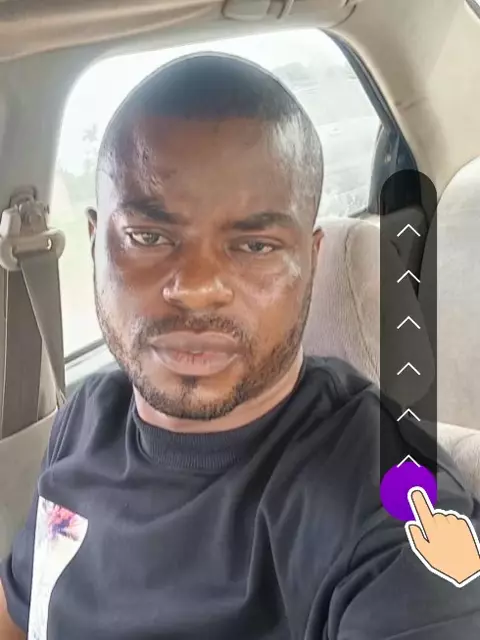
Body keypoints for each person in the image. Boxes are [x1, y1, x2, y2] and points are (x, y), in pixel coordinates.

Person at [1, 53, 479, 640]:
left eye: (255, 246)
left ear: (311, 261)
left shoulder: (392, 497)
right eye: (148, 236)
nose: (197, 289)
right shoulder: (86, 416)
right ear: (96, 244)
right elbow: (23, 612)